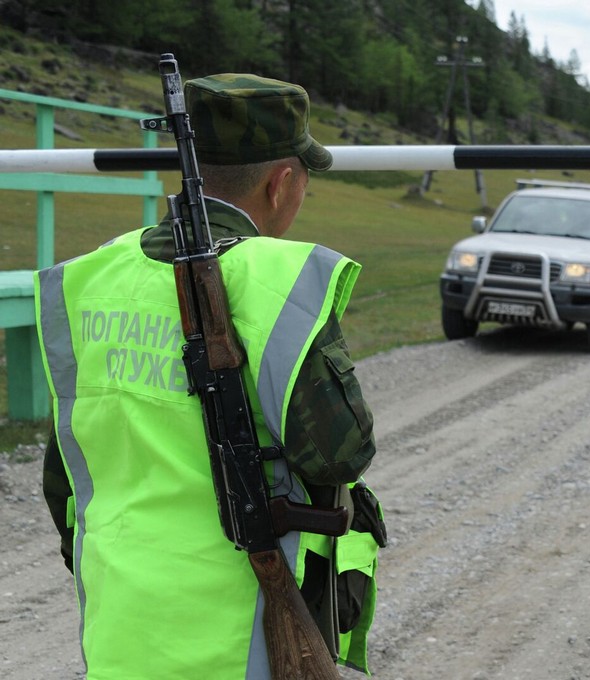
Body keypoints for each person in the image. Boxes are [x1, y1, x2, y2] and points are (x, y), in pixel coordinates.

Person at [35, 74, 383, 679]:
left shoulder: (90, 278)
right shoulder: (280, 284)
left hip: (123, 632)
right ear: (282, 183)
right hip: (241, 647)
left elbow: (64, 476)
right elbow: (342, 453)